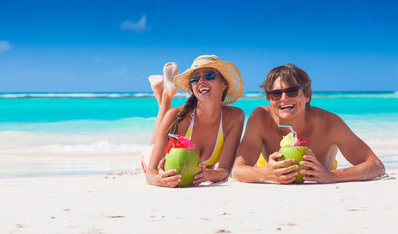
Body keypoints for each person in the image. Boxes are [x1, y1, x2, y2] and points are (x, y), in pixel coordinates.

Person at [231, 64, 385, 184]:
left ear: (307, 96)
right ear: (270, 99)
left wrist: (331, 176)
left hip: (324, 171)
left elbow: (376, 165)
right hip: (268, 166)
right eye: (276, 94)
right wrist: (266, 173)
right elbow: (237, 170)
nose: (284, 98)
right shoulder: (261, 117)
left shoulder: (330, 123)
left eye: (292, 91)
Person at [143, 55, 245, 187]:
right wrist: (161, 180)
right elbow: (150, 173)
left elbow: (224, 170)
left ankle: (162, 92)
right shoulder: (176, 116)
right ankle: (166, 95)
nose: (201, 81)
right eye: (195, 78)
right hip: (151, 158)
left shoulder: (235, 117)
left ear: (224, 84)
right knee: (153, 144)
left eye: (209, 75)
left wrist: (208, 175)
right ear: (193, 89)